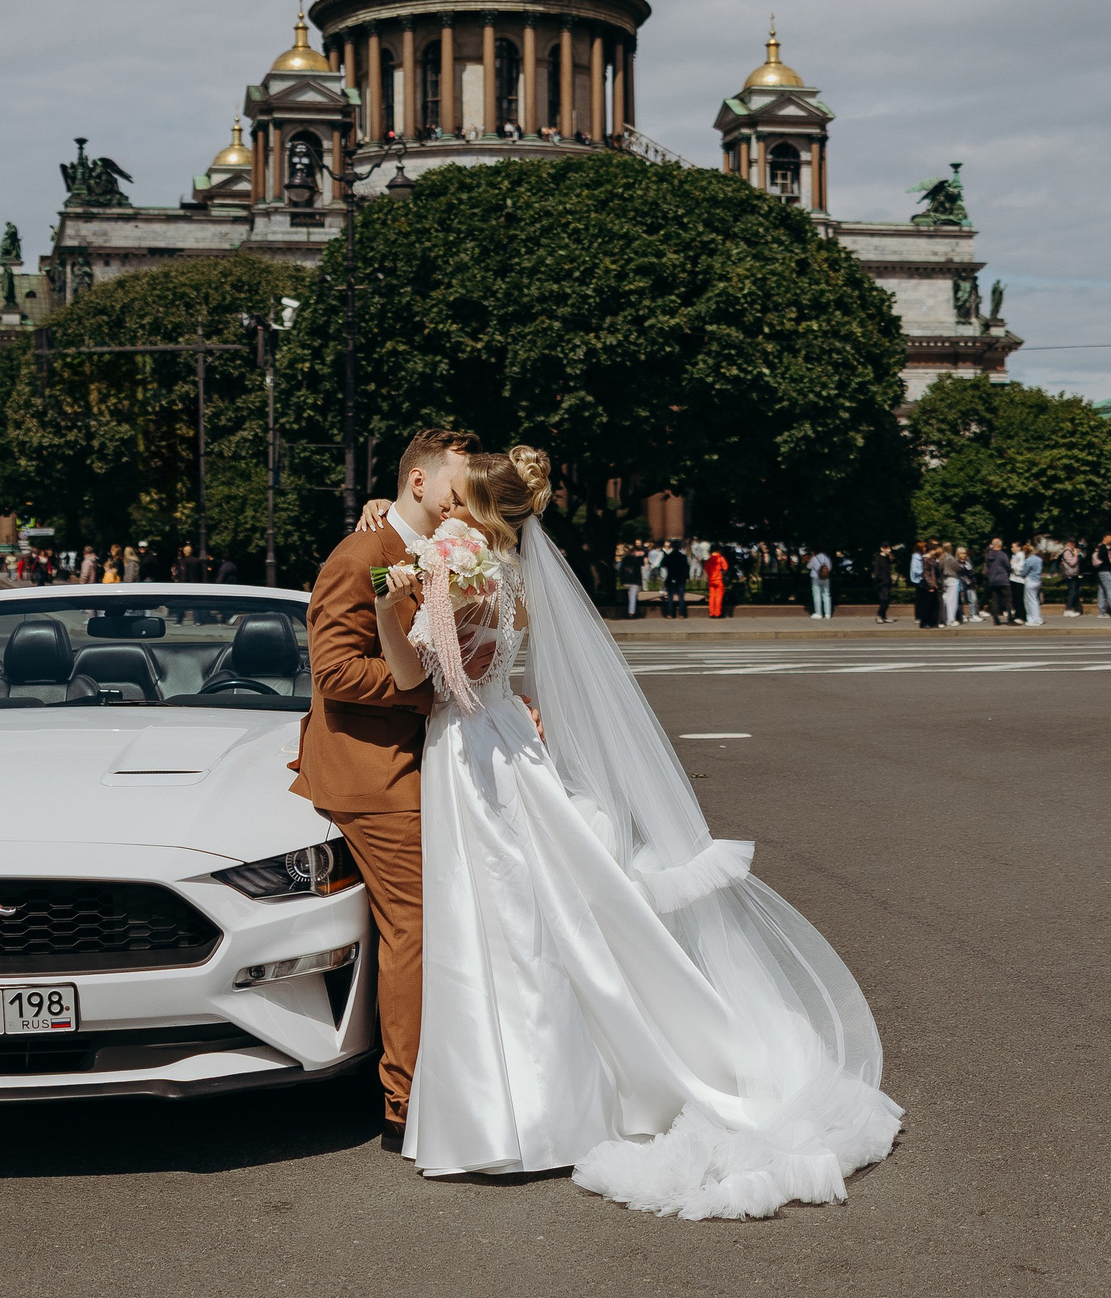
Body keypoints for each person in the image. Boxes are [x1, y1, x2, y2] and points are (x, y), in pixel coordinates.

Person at [362, 445, 900, 1212]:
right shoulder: (501, 570)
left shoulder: (469, 571)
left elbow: (436, 677)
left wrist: (410, 594)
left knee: (506, 920)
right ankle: (525, 1101)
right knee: (530, 914)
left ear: (477, 509)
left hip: (474, 752)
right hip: (496, 739)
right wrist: (400, 577)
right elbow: (449, 667)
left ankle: (526, 1113)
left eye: (458, 496)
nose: (446, 505)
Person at [294, 428, 472, 1151]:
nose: (467, 497)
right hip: (374, 770)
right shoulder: (360, 555)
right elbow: (334, 671)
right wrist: (431, 688)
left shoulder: (437, 549)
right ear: (420, 482)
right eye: (458, 483)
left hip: (423, 758)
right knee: (415, 925)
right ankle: (405, 1099)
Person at [983, 539, 1012, 625]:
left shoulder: (989, 556)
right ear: (1000, 545)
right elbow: (1007, 567)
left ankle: (996, 619)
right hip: (1003, 580)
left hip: (992, 580)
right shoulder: (1002, 555)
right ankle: (1010, 618)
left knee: (995, 600)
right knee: (1007, 599)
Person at [659, 540, 691, 620]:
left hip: (670, 578)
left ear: (672, 547)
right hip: (681, 578)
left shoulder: (669, 556)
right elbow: (687, 568)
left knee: (670, 597)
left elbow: (662, 564)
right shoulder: (683, 557)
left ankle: (670, 614)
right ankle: (682, 614)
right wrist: (687, 577)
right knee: (681, 597)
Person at [1018, 541, 1044, 625]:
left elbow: (1024, 572)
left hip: (1030, 580)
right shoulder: (1039, 559)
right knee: (1035, 600)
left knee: (1030, 601)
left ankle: (1033, 619)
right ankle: (1038, 618)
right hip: (1038, 580)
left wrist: (1019, 573)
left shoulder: (1028, 560)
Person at [938, 543, 962, 627]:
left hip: (945, 579)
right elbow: (958, 567)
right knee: (952, 601)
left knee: (945, 598)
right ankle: (951, 619)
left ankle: (943, 618)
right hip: (953, 579)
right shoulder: (950, 558)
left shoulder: (942, 557)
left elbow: (939, 568)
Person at [806, 545, 834, 620]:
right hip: (826, 578)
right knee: (827, 595)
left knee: (817, 595)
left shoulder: (814, 558)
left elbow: (808, 566)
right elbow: (830, 568)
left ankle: (818, 613)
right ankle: (828, 614)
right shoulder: (827, 557)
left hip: (816, 578)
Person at [704, 547, 727, 619]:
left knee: (712, 597)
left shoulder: (709, 560)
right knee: (718, 597)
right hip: (719, 580)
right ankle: (717, 613)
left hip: (711, 580)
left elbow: (706, 569)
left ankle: (711, 613)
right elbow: (725, 567)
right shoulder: (720, 558)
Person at [873, 545, 894, 624]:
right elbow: (877, 571)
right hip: (882, 582)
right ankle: (879, 615)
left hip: (887, 581)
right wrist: (880, 580)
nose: (889, 550)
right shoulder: (879, 558)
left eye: (889, 548)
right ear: (882, 548)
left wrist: (891, 560)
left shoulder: (886, 558)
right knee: (884, 600)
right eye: (887, 548)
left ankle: (883, 616)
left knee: (887, 600)